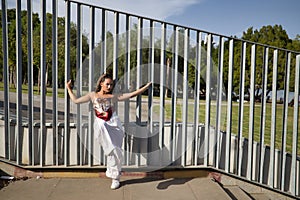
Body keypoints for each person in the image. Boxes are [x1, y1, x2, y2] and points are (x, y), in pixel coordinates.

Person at [66, 73, 151, 189]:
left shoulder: (113, 97)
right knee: (111, 148)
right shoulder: (92, 95)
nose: (109, 87)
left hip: (114, 126)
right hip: (102, 125)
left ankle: (115, 177)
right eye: (107, 84)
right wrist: (68, 88)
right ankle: (114, 175)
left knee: (116, 152)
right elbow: (76, 101)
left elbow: (131, 94)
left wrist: (145, 87)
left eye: (111, 85)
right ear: (101, 83)